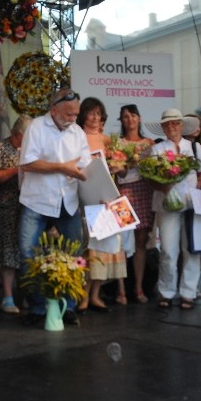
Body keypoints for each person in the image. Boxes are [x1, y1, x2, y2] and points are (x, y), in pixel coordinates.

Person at [19, 88, 92, 327]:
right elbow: (28, 163)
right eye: (69, 113)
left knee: (74, 254)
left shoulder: (78, 132)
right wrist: (61, 167)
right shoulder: (37, 127)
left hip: (67, 201)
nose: (73, 118)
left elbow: (86, 165)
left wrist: (97, 184)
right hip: (37, 200)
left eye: (76, 114)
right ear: (54, 109)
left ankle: (67, 306)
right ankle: (38, 307)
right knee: (29, 253)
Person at [151, 108, 201, 310]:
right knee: (167, 249)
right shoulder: (157, 149)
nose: (172, 127)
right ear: (163, 128)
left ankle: (188, 292)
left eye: (175, 123)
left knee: (191, 248)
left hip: (191, 204)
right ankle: (166, 291)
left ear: (182, 126)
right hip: (166, 204)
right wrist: (162, 185)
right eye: (167, 124)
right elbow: (150, 178)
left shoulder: (194, 147)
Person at [77, 97, 126, 312]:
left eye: (99, 113)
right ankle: (83, 296)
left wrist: (118, 168)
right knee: (89, 249)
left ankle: (95, 295)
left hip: (108, 200)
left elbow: (122, 168)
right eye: (91, 113)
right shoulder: (77, 137)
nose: (95, 117)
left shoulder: (108, 140)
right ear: (83, 115)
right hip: (87, 198)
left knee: (105, 249)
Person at [116, 104, 155, 304]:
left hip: (144, 191)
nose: (130, 119)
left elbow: (153, 171)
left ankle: (139, 288)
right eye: (125, 116)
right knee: (121, 241)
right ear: (121, 121)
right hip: (123, 193)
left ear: (139, 119)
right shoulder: (118, 143)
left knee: (141, 241)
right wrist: (126, 163)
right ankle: (121, 289)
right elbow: (119, 173)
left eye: (133, 115)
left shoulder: (149, 143)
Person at [0, 115, 32, 314]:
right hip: (7, 207)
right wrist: (18, 169)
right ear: (18, 134)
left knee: (26, 251)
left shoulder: (33, 149)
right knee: (8, 252)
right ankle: (8, 298)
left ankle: (27, 295)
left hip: (29, 206)